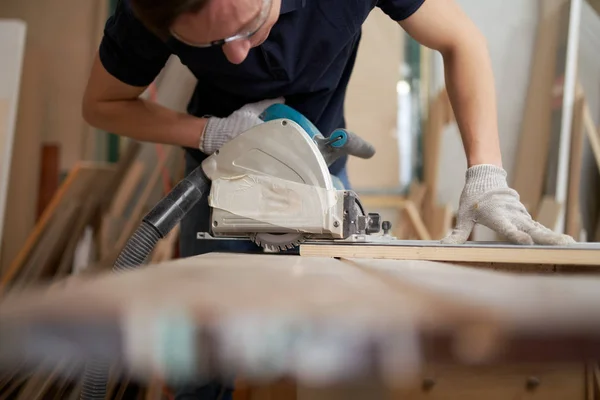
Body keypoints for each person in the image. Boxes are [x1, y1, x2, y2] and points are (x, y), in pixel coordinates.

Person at [82, 0, 576, 398]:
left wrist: (486, 173)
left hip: (321, 172)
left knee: (343, 336)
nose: (234, 55)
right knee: (202, 350)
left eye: (247, 28)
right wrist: (208, 131)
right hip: (220, 172)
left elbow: (460, 38)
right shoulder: (149, 10)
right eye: (211, 44)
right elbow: (101, 105)